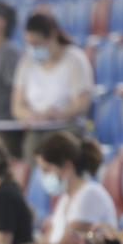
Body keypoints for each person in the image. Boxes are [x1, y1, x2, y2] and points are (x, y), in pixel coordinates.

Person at [11, 13, 94, 162]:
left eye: (37, 43)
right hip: (37, 129)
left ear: (52, 36)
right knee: (29, 146)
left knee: (55, 148)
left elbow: (81, 103)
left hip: (67, 127)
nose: (33, 48)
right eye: (29, 44)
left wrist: (58, 114)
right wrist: (33, 116)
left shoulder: (74, 59)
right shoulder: (26, 63)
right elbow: (17, 107)